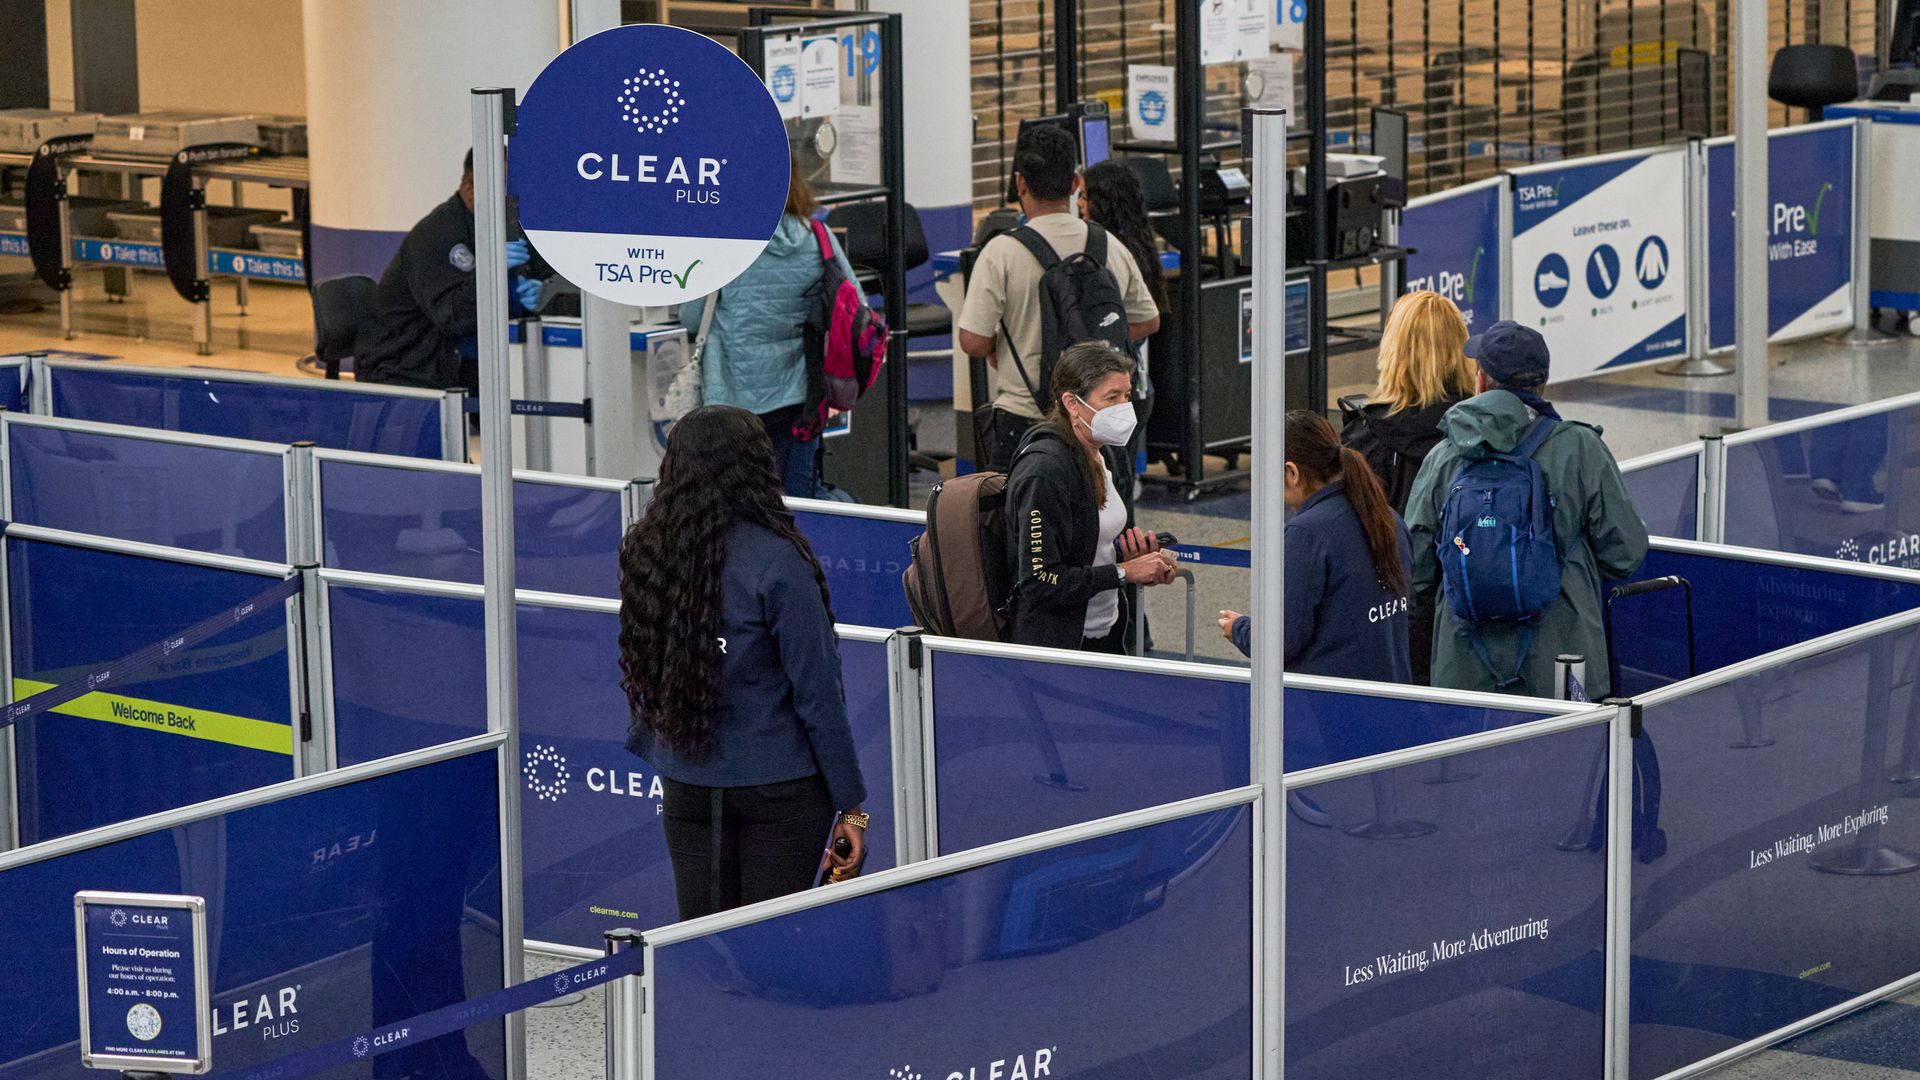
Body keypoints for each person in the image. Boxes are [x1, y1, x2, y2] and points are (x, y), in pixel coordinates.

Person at [617, 406, 867, 920]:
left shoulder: (649, 551)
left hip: (687, 781)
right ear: (758, 465)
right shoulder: (779, 562)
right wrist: (852, 808)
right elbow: (818, 695)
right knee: (771, 951)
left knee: (707, 949)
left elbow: (650, 660)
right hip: (782, 793)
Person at [1403, 320, 1649, 699]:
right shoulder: (1581, 448)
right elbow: (1625, 554)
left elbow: (1415, 568)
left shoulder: (1445, 456)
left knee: (1470, 759)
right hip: (1564, 665)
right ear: (1542, 383)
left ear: (1481, 381)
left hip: (1463, 671)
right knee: (1566, 758)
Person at [958, 125, 1161, 471]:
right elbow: (1148, 320)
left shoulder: (1001, 252)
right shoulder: (1108, 245)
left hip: (1026, 416)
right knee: (1107, 519)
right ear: (1074, 183)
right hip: (1099, 419)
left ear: (1020, 183)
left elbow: (973, 340)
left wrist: (999, 349)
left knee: (1021, 519)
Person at [678, 160, 858, 498]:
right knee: (795, 504)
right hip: (800, 397)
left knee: (731, 503)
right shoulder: (818, 238)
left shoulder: (724, 240)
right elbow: (854, 306)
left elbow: (691, 318)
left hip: (730, 400)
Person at [1339, 289, 1477, 682]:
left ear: (1394, 351)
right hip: (1472, 606)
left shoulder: (1363, 438)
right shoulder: (1485, 431)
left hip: (1389, 616)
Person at [1217, 411, 1415, 683]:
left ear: (1291, 472)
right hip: (1389, 697)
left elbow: (1280, 642)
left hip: (1328, 707)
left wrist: (1239, 628)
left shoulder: (1306, 534)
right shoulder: (1388, 518)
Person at [1005, 342, 1176, 652]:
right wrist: (1124, 572)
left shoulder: (1104, 452)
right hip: (1058, 644)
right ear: (1072, 402)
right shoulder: (1043, 473)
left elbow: (1088, 547)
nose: (1124, 407)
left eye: (1125, 396)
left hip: (1106, 630)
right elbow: (1039, 580)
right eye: (1111, 398)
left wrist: (1132, 557)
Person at [357, 150, 540, 391]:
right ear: (469, 188)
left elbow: (537, 274)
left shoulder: (504, 225)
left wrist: (538, 293)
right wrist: (490, 271)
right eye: (503, 189)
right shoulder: (436, 235)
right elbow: (453, 318)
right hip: (409, 364)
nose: (512, 199)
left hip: (463, 356)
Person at [1079, 160, 1169, 315]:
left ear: (1104, 203)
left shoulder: (1110, 250)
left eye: (1084, 197)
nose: (1079, 203)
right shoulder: (1136, 240)